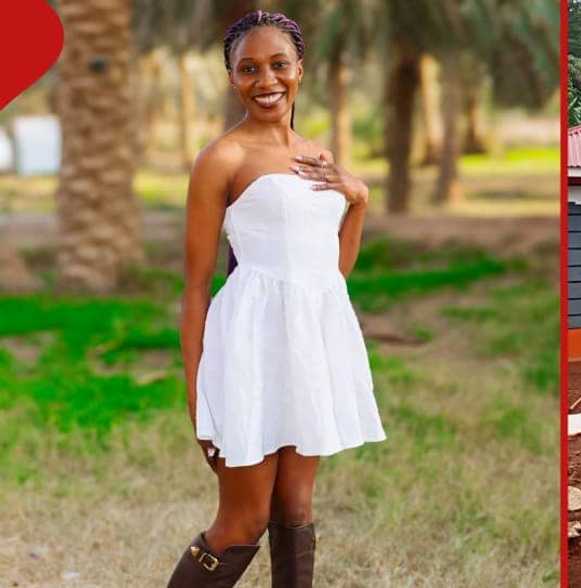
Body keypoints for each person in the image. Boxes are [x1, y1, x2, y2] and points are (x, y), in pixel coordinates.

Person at [168, 11, 386, 587]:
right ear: (232, 78)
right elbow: (195, 286)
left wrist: (357, 201)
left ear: (300, 69)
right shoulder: (223, 158)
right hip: (248, 348)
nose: (266, 79)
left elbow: (328, 274)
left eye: (278, 64)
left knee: (296, 510)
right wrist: (196, 391)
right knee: (243, 518)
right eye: (249, 68)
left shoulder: (317, 157)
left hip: (309, 349)